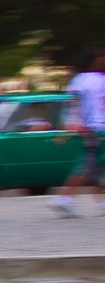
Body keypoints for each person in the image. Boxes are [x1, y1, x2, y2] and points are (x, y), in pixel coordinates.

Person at [51, 48, 105, 217]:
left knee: (96, 165)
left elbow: (71, 104)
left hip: (87, 128)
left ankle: (101, 203)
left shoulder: (77, 80)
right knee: (87, 165)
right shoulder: (101, 80)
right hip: (99, 127)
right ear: (96, 61)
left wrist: (71, 125)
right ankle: (64, 199)